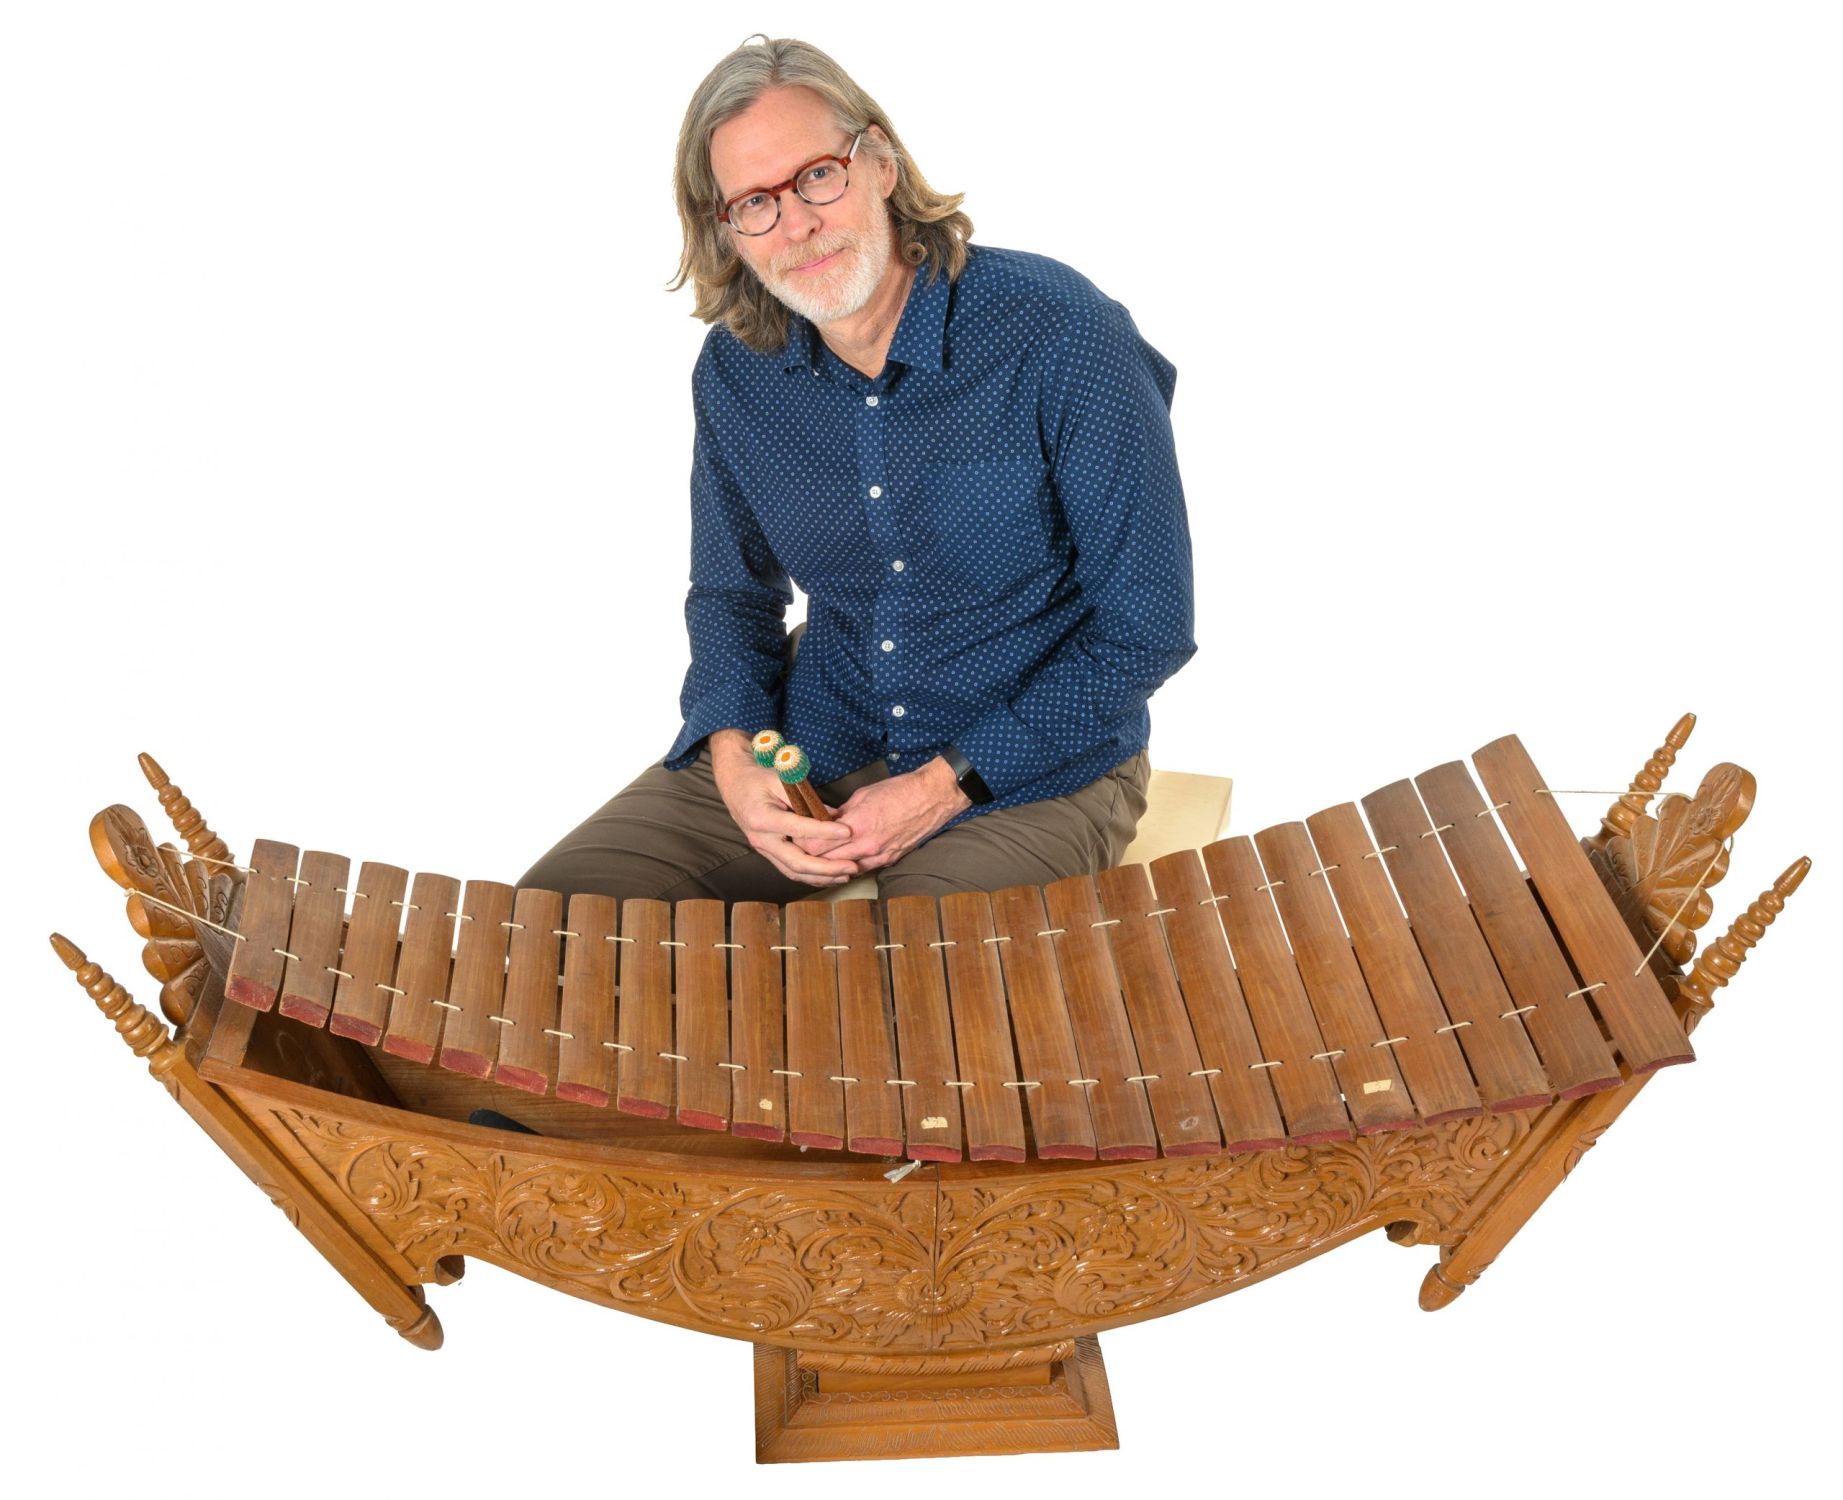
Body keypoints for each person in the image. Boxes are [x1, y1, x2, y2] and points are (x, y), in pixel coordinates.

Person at [519, 35, 1195, 904]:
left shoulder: (1060, 332)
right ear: (725, 230)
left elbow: (1145, 628)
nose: (794, 224)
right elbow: (732, 596)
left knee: (904, 1006)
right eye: (754, 203)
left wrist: (940, 787)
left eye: (815, 177)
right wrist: (731, 752)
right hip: (813, 741)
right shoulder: (736, 370)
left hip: (1031, 769)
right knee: (548, 931)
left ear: (878, 161)